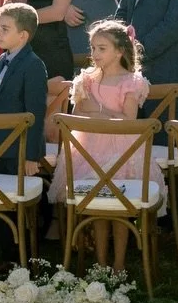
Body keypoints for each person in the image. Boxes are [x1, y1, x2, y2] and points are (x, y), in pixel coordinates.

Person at [55, 21, 151, 271]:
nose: (95, 54)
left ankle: (118, 263)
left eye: (102, 48)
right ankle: (101, 262)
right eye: (93, 48)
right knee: (97, 202)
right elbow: (77, 115)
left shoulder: (131, 81)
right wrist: (106, 115)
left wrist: (97, 111)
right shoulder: (85, 80)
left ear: (119, 51)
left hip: (122, 151)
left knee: (119, 205)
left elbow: (128, 120)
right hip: (88, 149)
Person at [0, 3, 49, 169]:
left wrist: (31, 156)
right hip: (0, 145)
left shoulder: (34, 65)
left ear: (23, 35)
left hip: (20, 148)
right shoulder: (1, 60)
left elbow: (35, 113)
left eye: (5, 29)